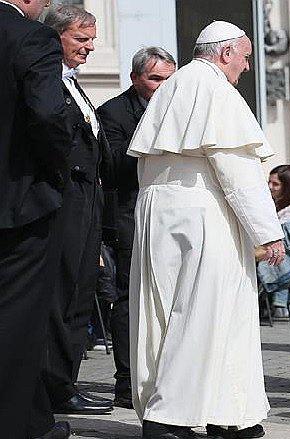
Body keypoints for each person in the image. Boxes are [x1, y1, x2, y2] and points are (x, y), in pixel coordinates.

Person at [126, 21, 285, 439]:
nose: (247, 66)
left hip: (159, 210)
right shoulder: (216, 90)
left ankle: (226, 412)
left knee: (165, 313)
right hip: (203, 213)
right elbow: (238, 172)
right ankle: (170, 417)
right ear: (226, 53)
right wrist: (267, 232)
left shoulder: (173, 86)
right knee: (204, 315)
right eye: (245, 57)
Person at [0, 0, 73, 437]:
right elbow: (47, 115)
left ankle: (34, 421)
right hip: (20, 202)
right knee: (19, 319)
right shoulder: (32, 36)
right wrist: (59, 169)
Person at [41, 4, 114, 417]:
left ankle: (65, 382)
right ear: (56, 38)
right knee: (62, 292)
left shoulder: (75, 84)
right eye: (81, 39)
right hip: (64, 199)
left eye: (92, 40)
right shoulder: (48, 81)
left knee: (81, 289)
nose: (89, 48)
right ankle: (53, 386)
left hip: (88, 201)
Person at [95, 46, 176, 409]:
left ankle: (165, 376)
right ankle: (126, 381)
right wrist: (152, 133)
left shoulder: (181, 107)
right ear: (135, 78)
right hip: (130, 213)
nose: (162, 87)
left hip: (172, 211)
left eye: (168, 79)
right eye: (155, 79)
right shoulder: (113, 112)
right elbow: (113, 168)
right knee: (130, 296)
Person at [258, 164, 290, 309]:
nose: (270, 187)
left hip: (285, 251)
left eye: (275, 184)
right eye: (269, 182)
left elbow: (287, 241)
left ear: (287, 186)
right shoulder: (270, 203)